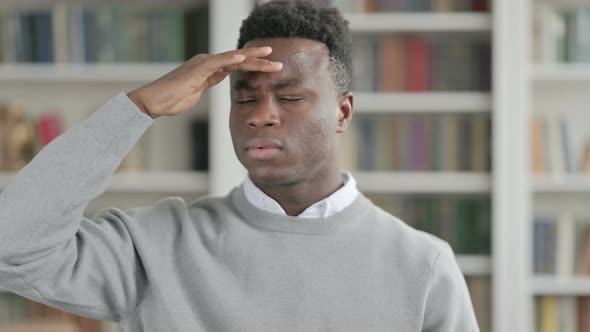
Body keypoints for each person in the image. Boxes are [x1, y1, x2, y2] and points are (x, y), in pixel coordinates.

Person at [0, 1, 479, 331]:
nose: (260, 113)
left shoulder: (423, 266)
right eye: (244, 97)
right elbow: (12, 243)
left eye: (290, 96)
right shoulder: (155, 245)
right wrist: (139, 107)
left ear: (343, 112)